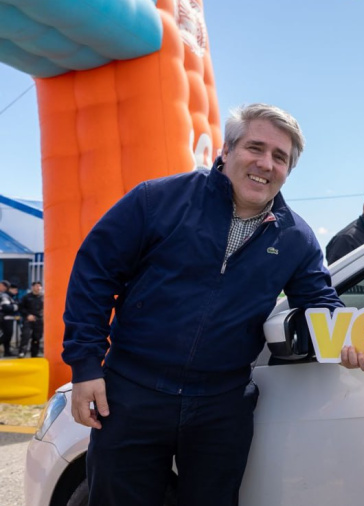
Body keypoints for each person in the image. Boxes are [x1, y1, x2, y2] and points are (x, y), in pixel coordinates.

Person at [61, 103, 344, 506]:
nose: (266, 164)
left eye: (280, 157)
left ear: (288, 170)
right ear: (227, 150)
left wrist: (349, 338)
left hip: (221, 406)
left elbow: (320, 302)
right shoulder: (157, 200)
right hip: (132, 394)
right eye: (255, 148)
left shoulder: (296, 238)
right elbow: (94, 274)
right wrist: (86, 365)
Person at [18, 281, 43, 358]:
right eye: (36, 286)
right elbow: (21, 308)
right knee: (25, 335)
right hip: (28, 319)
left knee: (37, 337)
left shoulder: (43, 297)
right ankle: (22, 352)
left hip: (39, 320)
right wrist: (27, 315)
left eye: (39, 286)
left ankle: (34, 354)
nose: (38, 287)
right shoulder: (26, 297)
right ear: (32, 287)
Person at [0, 280, 18, 357]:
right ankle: (7, 352)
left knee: (8, 336)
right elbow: (6, 307)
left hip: (7, 318)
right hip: (5, 318)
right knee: (7, 335)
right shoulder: (5, 296)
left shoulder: (8, 296)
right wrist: (16, 306)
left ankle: (7, 352)